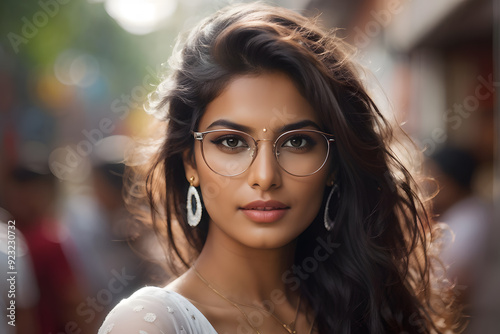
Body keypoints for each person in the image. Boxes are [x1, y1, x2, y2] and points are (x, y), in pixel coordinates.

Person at [99, 3, 463, 333]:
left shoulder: (364, 310)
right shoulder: (150, 325)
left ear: (333, 165)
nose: (265, 176)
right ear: (190, 163)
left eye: (296, 141)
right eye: (231, 142)